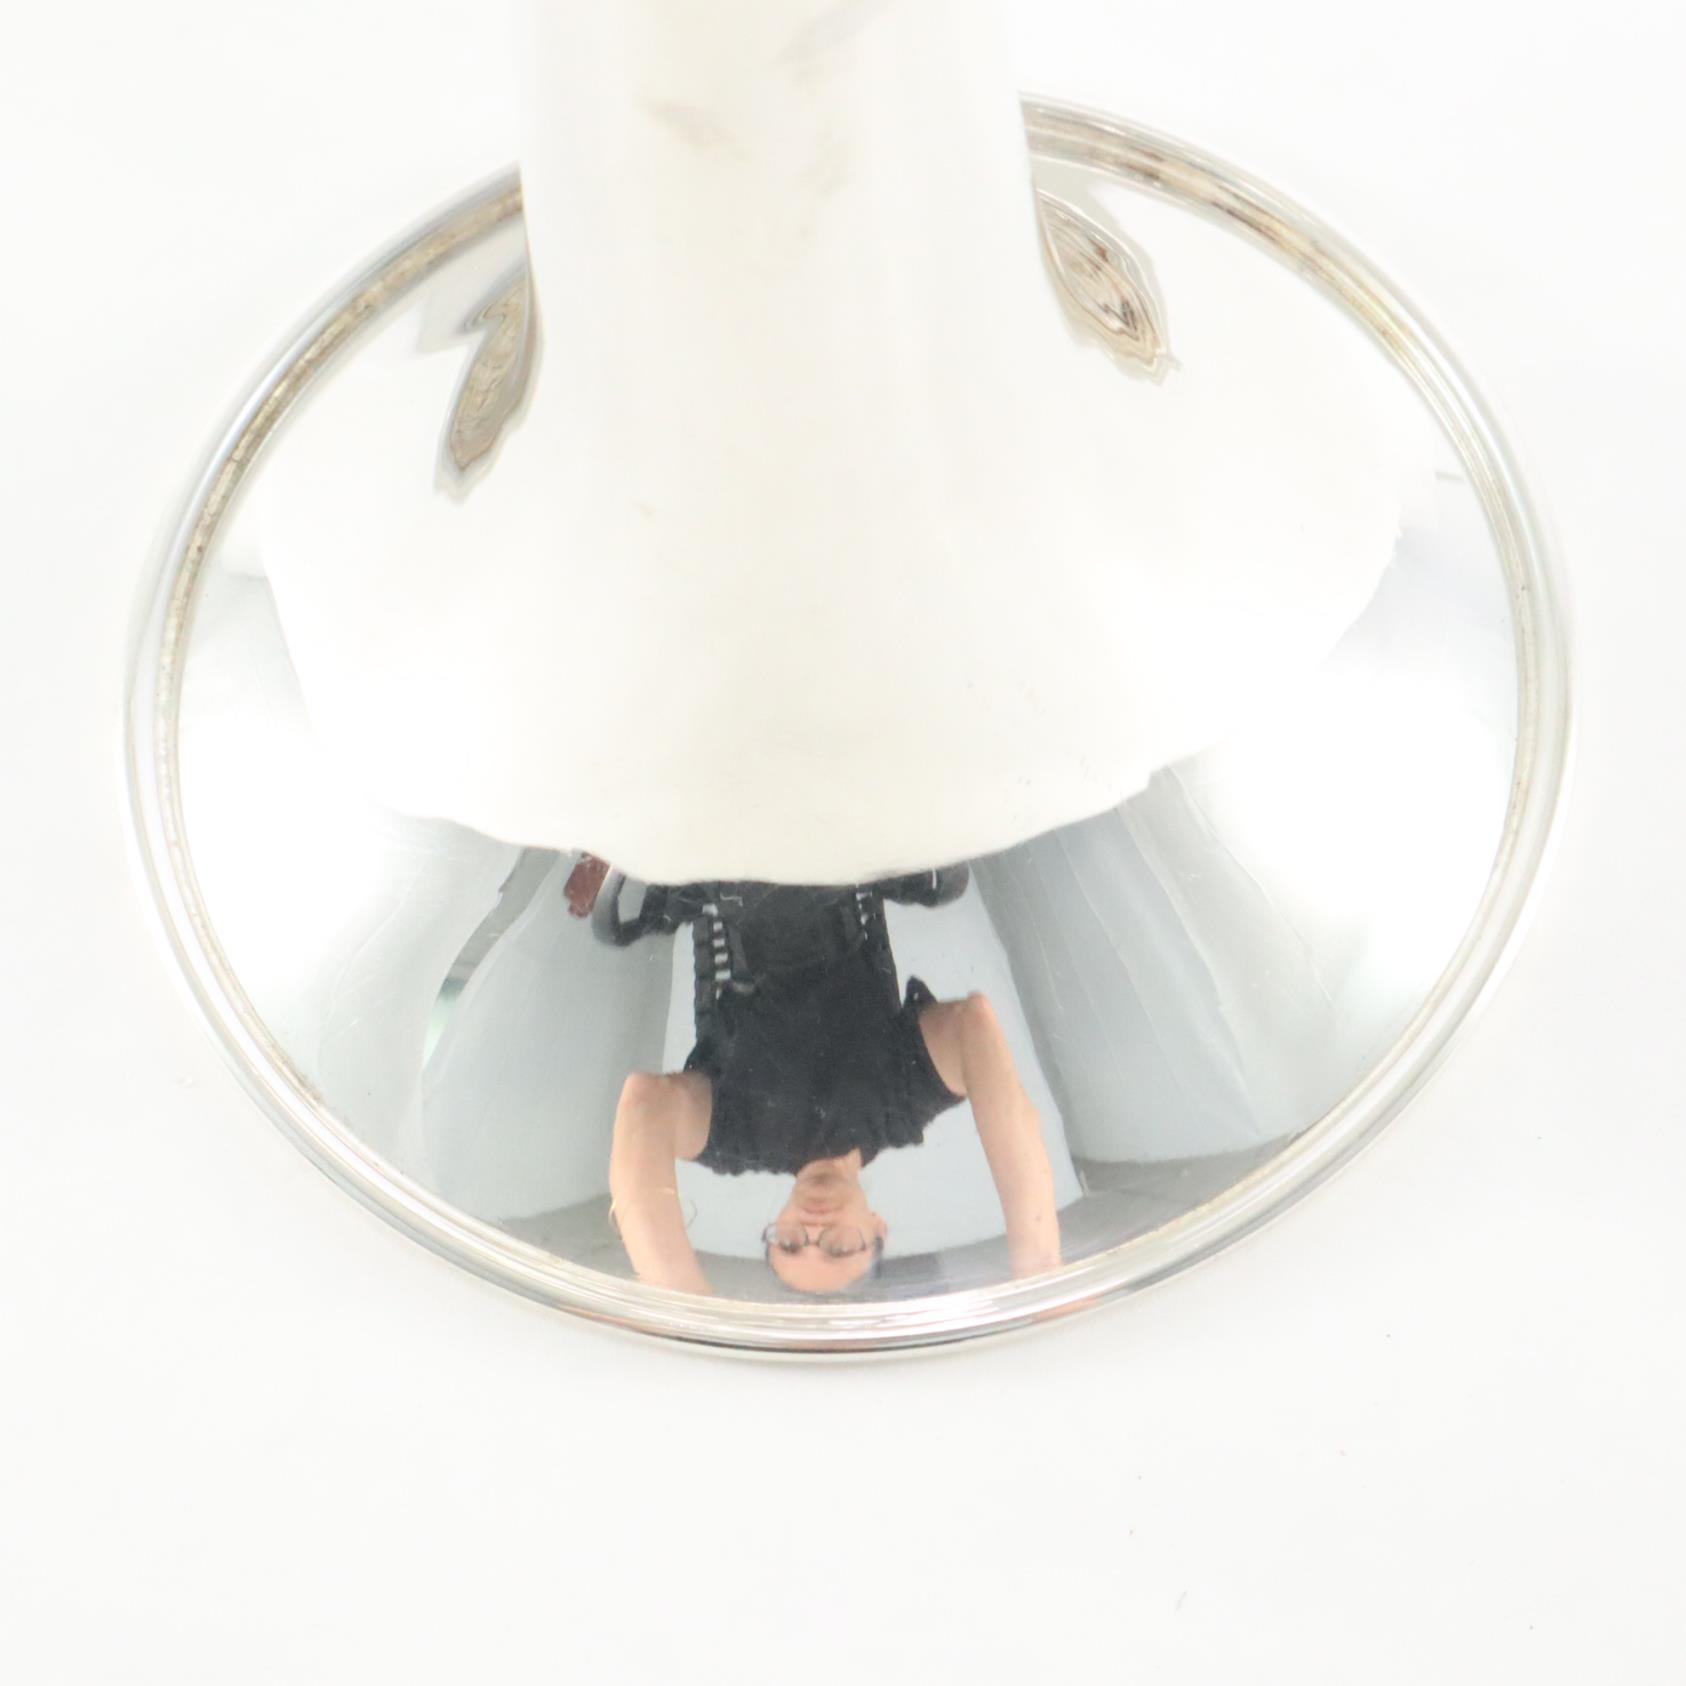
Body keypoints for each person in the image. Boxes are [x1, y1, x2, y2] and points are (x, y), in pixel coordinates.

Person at [567, 858, 1062, 1296]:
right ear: (877, 1228)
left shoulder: (739, 1138)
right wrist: (1037, 1265)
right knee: (945, 886)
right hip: (838, 848)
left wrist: (682, 1302)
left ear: (774, 1227)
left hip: (720, 858)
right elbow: (972, 1026)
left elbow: (645, 1106)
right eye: (838, 1247)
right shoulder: (899, 1108)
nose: (813, 1230)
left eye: (790, 1243)